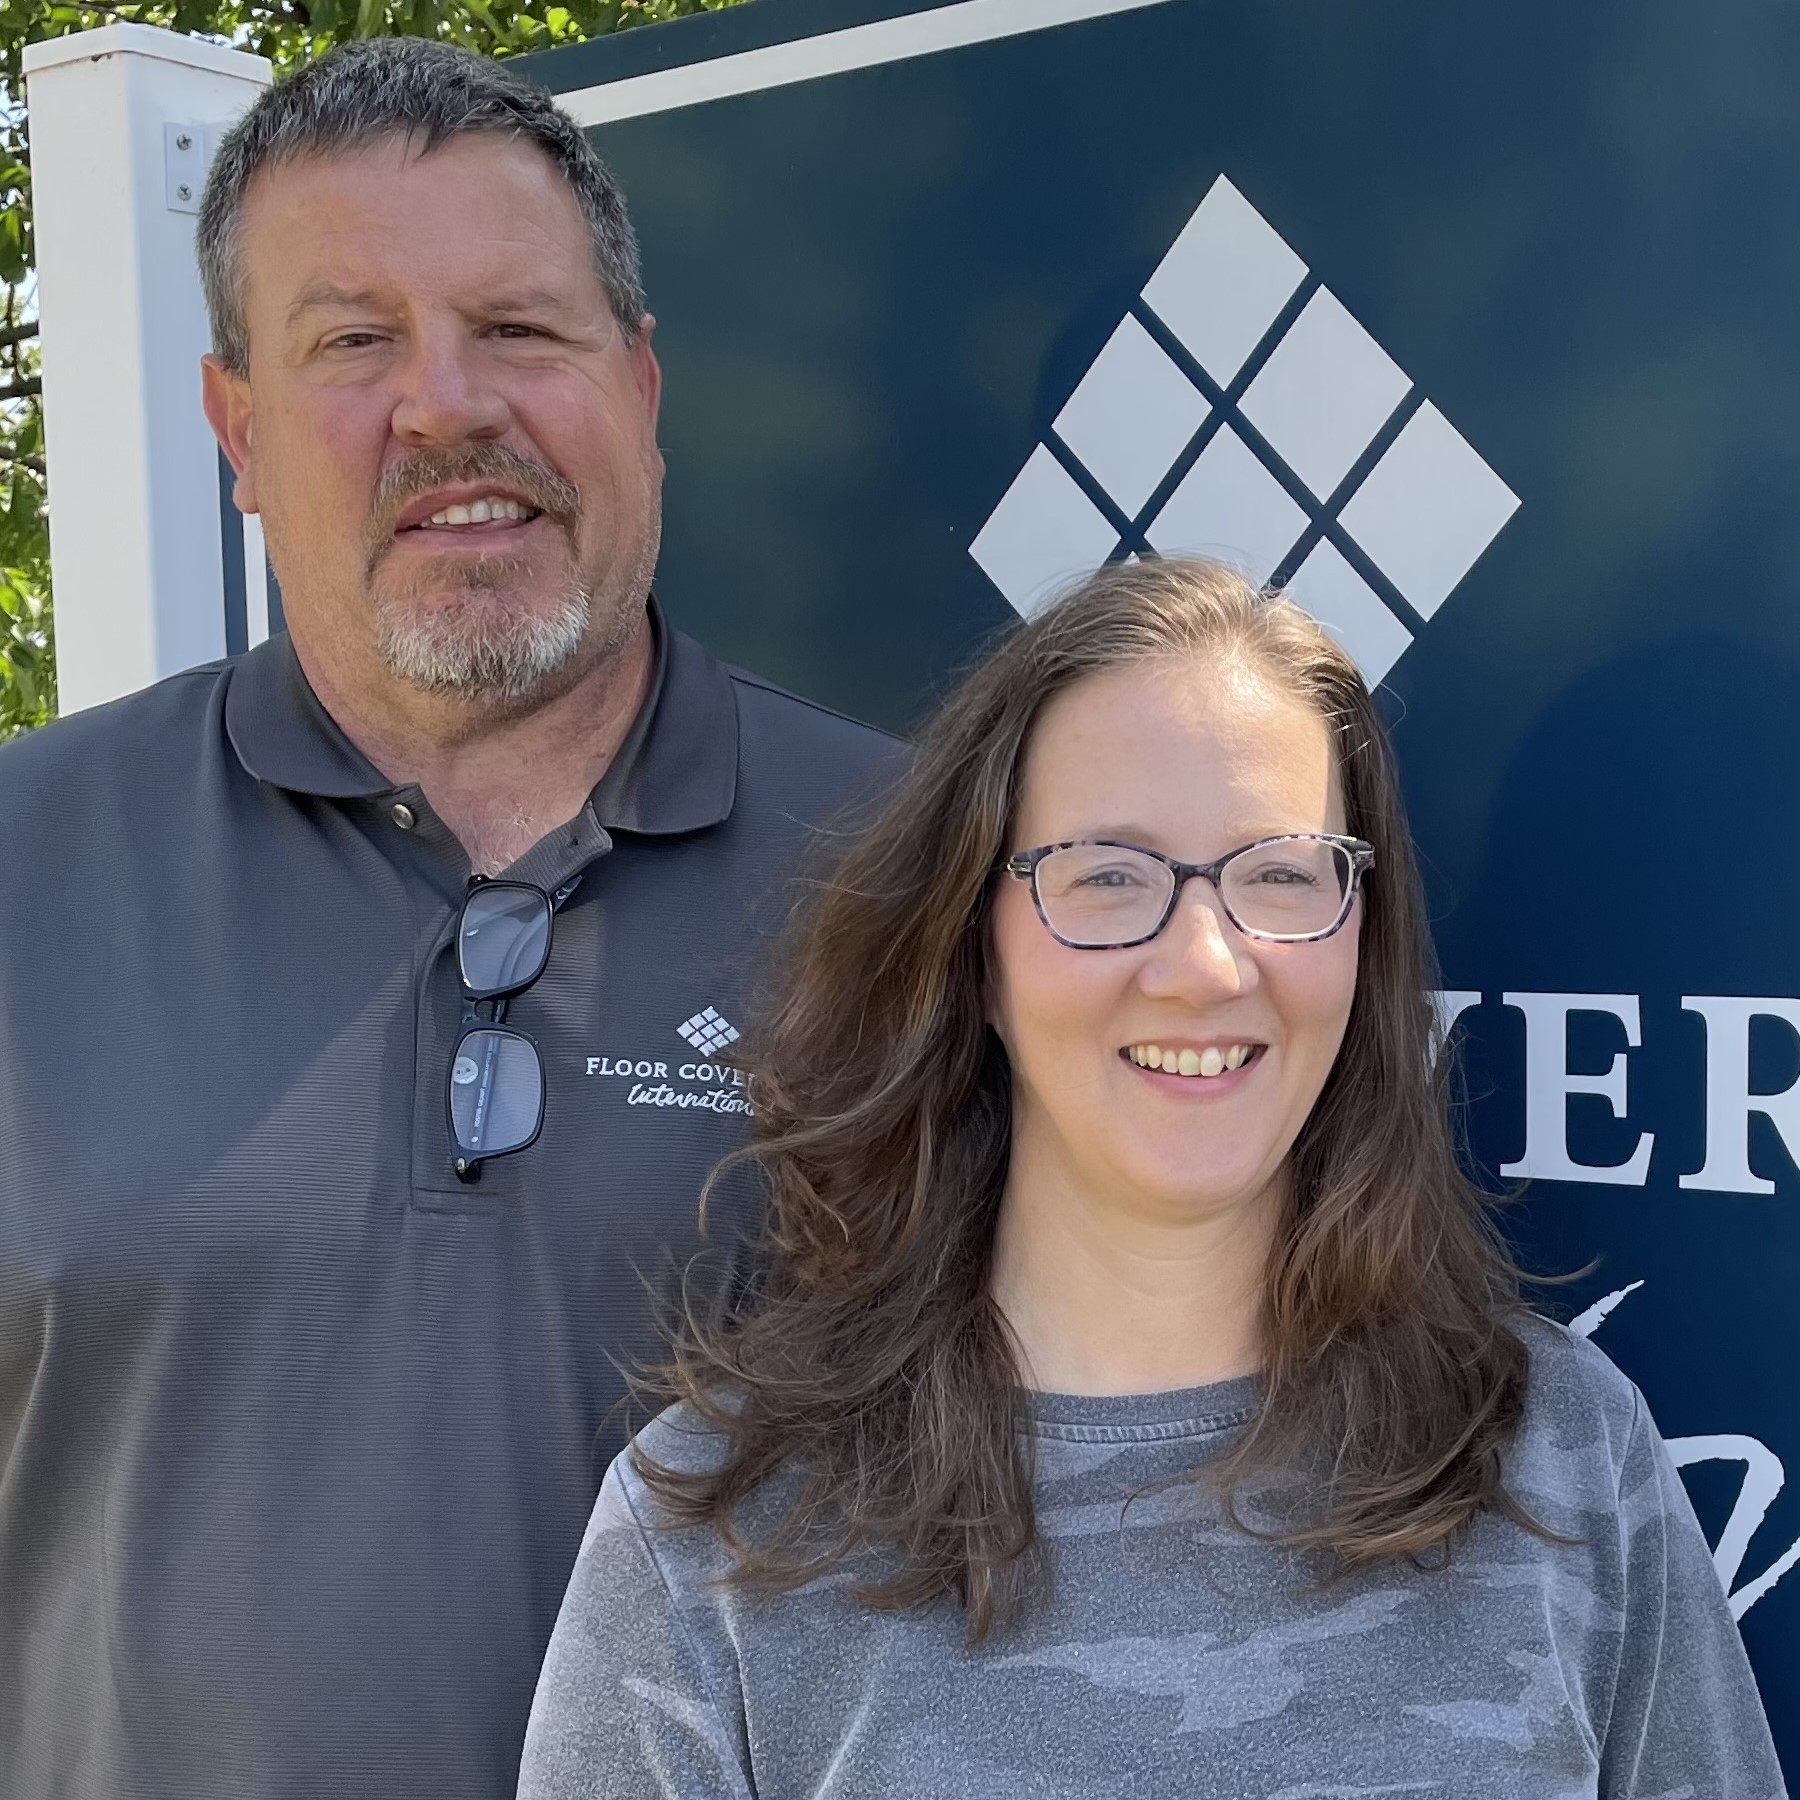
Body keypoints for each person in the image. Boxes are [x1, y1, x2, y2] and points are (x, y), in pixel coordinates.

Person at [0, 37, 895, 1800]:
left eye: (521, 329)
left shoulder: (913, 875)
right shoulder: (22, 864)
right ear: (237, 430)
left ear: (640, 391)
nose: (446, 405)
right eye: (352, 342)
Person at [518, 557, 1787, 1799]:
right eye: (1109, 876)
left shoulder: (1562, 1459)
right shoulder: (716, 1547)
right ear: (973, 950)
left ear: (1363, 939)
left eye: (1282, 875)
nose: (1205, 964)